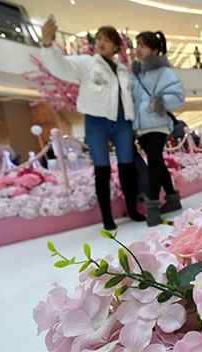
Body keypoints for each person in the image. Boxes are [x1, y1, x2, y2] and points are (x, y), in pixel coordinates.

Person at [41, 18, 144, 230]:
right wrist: (47, 44)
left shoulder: (123, 71)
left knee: (126, 167)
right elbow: (61, 67)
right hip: (96, 122)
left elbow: (131, 98)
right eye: (98, 39)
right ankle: (107, 217)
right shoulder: (87, 64)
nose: (101, 43)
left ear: (116, 45)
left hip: (122, 122)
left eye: (107, 40)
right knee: (102, 169)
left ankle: (133, 209)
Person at [131, 30, 185, 227]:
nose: (138, 49)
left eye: (143, 45)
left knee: (153, 161)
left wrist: (160, 102)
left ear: (154, 50)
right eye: (137, 45)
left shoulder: (164, 72)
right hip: (142, 127)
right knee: (157, 161)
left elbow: (179, 96)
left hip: (158, 125)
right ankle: (172, 198)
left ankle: (152, 207)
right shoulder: (136, 75)